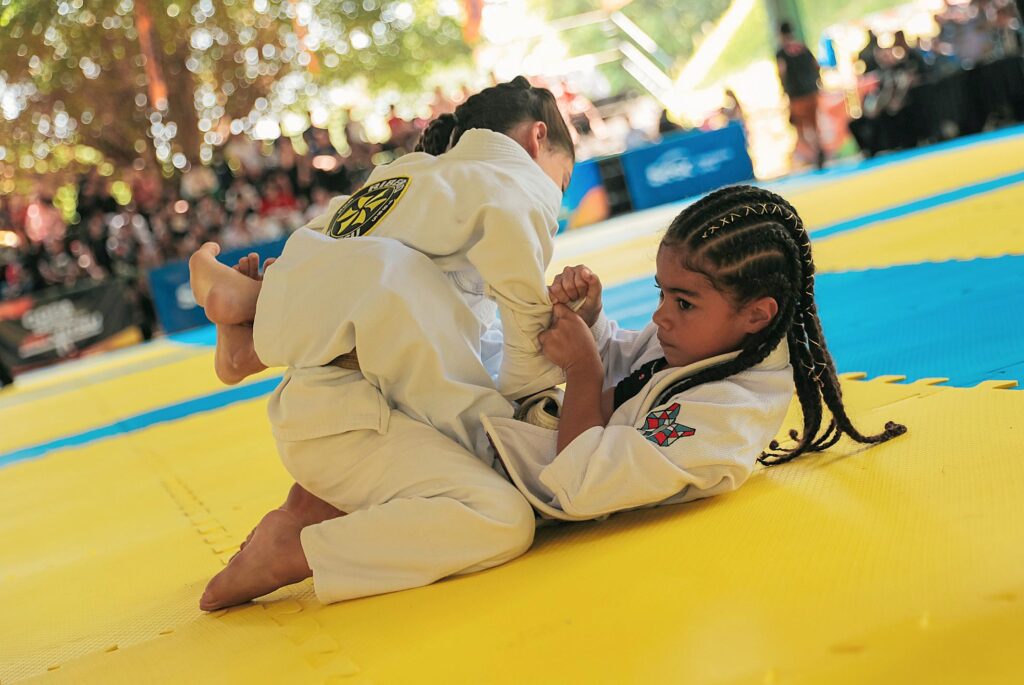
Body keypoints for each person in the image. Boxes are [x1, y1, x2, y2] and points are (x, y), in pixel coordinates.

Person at [190, 76, 576, 610]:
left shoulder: (405, 176)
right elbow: (526, 334)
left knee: (395, 293)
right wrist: (554, 380)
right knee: (503, 515)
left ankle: (253, 322)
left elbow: (321, 251)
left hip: (326, 388)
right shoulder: (520, 185)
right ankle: (296, 549)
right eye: (564, 177)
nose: (559, 193)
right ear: (537, 138)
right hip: (348, 417)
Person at [484, 185, 908, 521]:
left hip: (509, 484)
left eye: (683, 302)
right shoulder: (699, 340)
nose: (660, 315)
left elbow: (580, 485)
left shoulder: (726, 420)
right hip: (502, 437)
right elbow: (623, 368)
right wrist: (591, 320)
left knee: (504, 532)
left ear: (756, 315)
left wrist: (581, 368)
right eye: (662, 293)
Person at [776, 22, 826, 169]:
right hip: (811, 92)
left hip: (796, 96)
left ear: (781, 34)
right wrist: (817, 81)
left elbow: (782, 71)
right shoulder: (803, 47)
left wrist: (784, 90)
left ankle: (812, 155)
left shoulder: (782, 52)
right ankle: (819, 149)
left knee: (800, 129)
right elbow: (816, 64)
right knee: (814, 125)